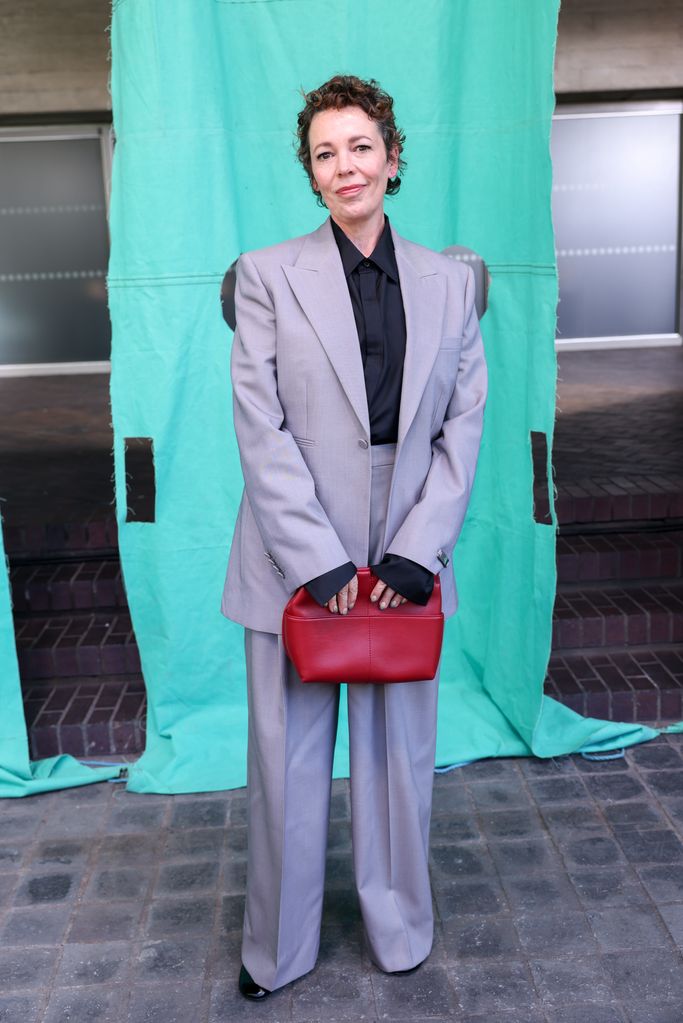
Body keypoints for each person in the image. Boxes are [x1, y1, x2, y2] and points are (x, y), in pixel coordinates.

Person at [220, 74, 487, 999]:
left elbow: (464, 425)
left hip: (407, 536)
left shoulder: (453, 282)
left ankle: (399, 929)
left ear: (392, 156)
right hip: (294, 542)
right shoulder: (264, 275)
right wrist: (319, 559)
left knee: (398, 761)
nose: (346, 166)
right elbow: (260, 426)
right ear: (310, 170)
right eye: (325, 152)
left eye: (361, 146)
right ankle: (278, 952)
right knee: (287, 770)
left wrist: (418, 551)